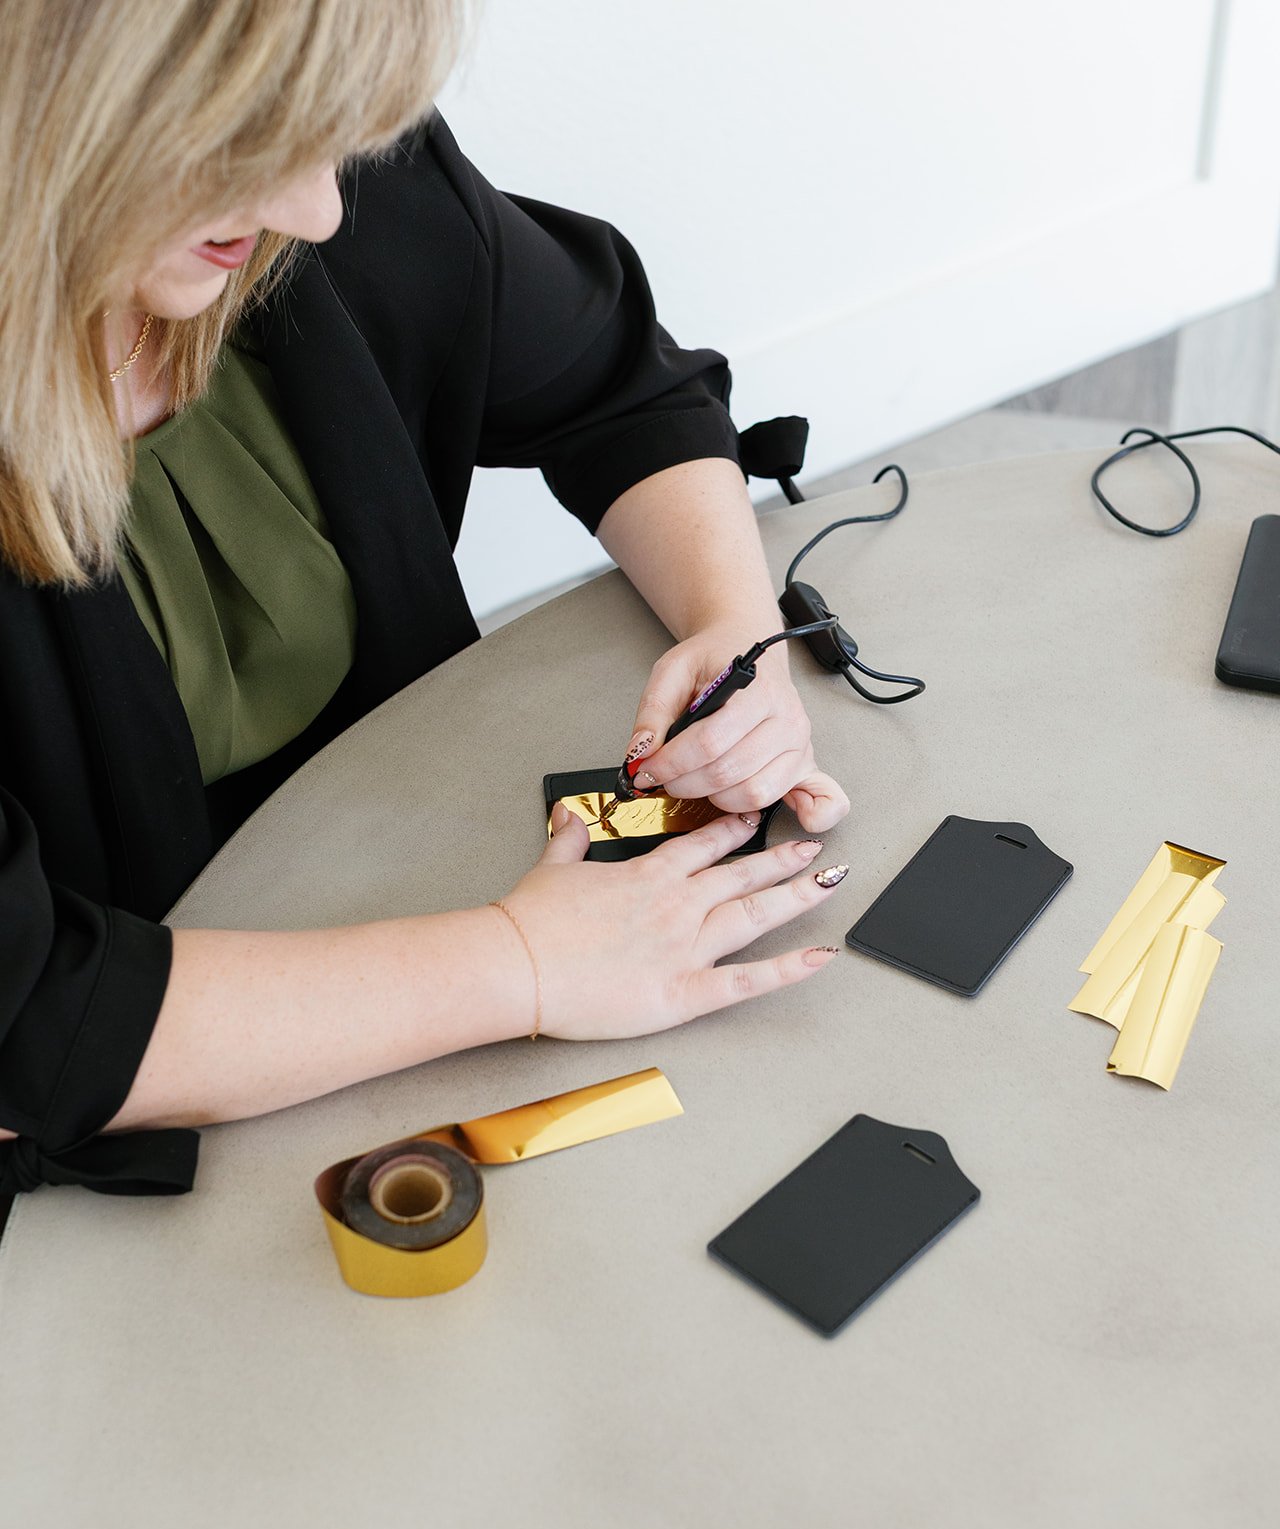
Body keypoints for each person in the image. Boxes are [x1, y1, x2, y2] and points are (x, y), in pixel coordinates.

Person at [0, 0, 851, 1200]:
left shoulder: (326, 188)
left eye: (329, 141)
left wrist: (734, 629)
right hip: (148, 1073)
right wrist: (523, 963)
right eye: (244, 152)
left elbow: (615, 387)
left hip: (416, 870)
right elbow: (33, 1016)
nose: (317, 211)